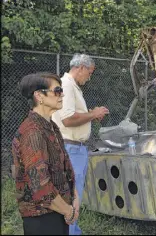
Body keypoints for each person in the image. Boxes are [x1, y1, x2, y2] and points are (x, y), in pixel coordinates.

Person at [12, 72, 79, 235]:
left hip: (58, 211)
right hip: (41, 217)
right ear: (39, 96)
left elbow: (65, 167)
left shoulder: (51, 126)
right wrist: (68, 211)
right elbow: (41, 187)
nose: (62, 95)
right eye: (57, 91)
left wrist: (74, 198)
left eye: (61, 90)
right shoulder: (32, 132)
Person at [52, 53, 109, 235]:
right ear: (81, 68)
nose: (89, 77)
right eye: (89, 73)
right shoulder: (66, 86)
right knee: (71, 195)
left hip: (75, 148)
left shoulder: (71, 86)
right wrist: (93, 114)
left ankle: (73, 230)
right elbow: (68, 119)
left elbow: (72, 115)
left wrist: (90, 114)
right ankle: (70, 232)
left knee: (73, 193)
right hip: (70, 148)